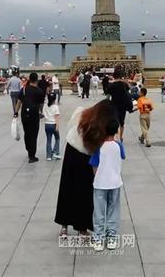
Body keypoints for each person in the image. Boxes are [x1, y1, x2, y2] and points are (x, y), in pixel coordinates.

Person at [55, 100, 115, 238]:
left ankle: (64, 227)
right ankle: (82, 228)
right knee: (85, 192)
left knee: (67, 187)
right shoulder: (100, 128)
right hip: (84, 157)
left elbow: (71, 127)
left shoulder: (82, 112)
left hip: (71, 151)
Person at [89, 118, 125, 251]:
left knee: (98, 212)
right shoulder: (119, 146)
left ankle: (98, 238)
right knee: (113, 210)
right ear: (116, 131)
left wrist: (97, 177)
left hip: (100, 183)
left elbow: (94, 165)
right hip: (115, 182)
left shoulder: (98, 147)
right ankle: (112, 238)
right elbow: (122, 157)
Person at [16, 72, 45, 163]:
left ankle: (28, 149)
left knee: (27, 132)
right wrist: (41, 112)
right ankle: (32, 155)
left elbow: (19, 102)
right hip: (34, 115)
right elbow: (41, 104)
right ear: (36, 80)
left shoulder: (24, 89)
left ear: (29, 79)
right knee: (33, 134)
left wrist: (16, 112)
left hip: (24, 114)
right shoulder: (39, 91)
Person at [105, 67, 133, 141]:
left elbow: (108, 97)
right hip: (123, 106)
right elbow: (128, 92)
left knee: (115, 121)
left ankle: (115, 137)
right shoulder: (124, 85)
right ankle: (121, 137)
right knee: (122, 122)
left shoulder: (111, 85)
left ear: (113, 76)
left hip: (114, 106)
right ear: (120, 76)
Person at [43, 92, 61, 161]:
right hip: (53, 124)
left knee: (48, 140)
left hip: (47, 124)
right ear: (55, 99)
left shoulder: (45, 106)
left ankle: (48, 156)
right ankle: (55, 152)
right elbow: (57, 117)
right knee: (57, 138)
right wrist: (57, 126)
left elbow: (44, 114)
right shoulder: (56, 107)